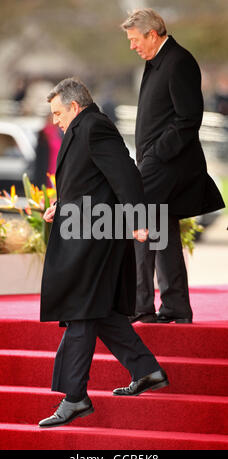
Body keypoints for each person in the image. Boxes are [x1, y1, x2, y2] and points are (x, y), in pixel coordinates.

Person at [38, 77, 169, 428]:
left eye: (57, 113)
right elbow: (88, 180)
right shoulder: (82, 128)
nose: (55, 120)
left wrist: (140, 220)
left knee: (81, 311)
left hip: (96, 237)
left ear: (75, 107)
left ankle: (75, 397)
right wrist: (60, 205)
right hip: (83, 231)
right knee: (101, 312)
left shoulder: (95, 126)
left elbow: (125, 174)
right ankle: (147, 370)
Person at [121, 9, 225, 324]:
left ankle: (139, 306)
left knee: (136, 226)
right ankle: (175, 307)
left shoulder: (179, 61)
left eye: (135, 39)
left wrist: (155, 155)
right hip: (158, 163)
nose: (132, 46)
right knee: (161, 234)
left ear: (152, 34)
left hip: (166, 165)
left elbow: (188, 117)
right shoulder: (158, 63)